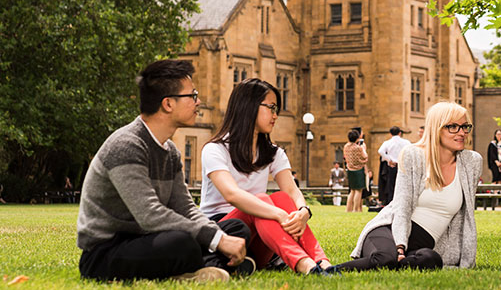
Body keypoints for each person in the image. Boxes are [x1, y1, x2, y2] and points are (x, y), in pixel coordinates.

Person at [76, 60, 249, 282]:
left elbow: (185, 207)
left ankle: (198, 270)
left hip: (149, 239)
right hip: (106, 252)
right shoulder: (126, 145)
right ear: (168, 104)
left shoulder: (171, 153)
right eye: (192, 96)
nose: (199, 102)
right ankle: (210, 265)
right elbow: (150, 215)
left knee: (235, 228)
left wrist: (219, 236)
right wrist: (216, 241)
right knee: (182, 242)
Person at [200, 78, 333, 275]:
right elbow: (232, 195)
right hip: (223, 234)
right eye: (270, 108)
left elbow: (291, 190)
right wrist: (277, 213)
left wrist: (303, 211)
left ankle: (321, 261)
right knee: (263, 200)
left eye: (276, 109)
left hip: (261, 237)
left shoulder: (273, 152)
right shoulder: (215, 149)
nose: (276, 115)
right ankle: (306, 264)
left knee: (280, 198)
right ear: (249, 107)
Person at [334, 102, 482, 271]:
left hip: (422, 245)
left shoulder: (472, 162)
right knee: (386, 259)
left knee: (431, 259)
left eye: (465, 127)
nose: (462, 132)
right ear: (436, 128)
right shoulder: (414, 155)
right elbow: (402, 206)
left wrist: (465, 262)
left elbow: (467, 217)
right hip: (390, 230)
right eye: (453, 127)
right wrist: (400, 246)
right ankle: (328, 271)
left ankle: (398, 264)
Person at [378, 126, 412, 205]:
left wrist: (389, 160)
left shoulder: (387, 142)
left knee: (391, 186)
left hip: (392, 166)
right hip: (402, 165)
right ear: (400, 133)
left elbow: (381, 151)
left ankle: (391, 202)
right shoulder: (406, 142)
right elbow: (410, 150)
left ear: (390, 134)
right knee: (402, 185)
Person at [344, 129, 368, 213]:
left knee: (352, 191)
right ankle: (355, 209)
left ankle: (348, 209)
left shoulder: (346, 146)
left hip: (350, 170)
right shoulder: (358, 148)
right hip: (358, 170)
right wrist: (363, 148)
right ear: (357, 138)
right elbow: (365, 157)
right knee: (358, 190)